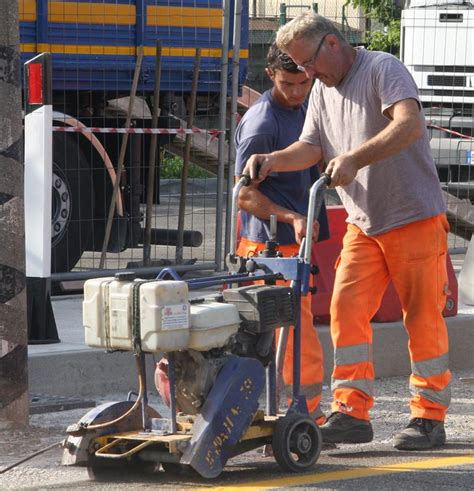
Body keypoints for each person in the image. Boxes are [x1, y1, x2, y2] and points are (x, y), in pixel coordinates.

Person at [242, 12, 451, 451]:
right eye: (299, 68)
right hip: (365, 222)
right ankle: (352, 412)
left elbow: (409, 125)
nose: (307, 74)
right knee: (346, 308)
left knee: (423, 317)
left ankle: (429, 417)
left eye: (309, 64)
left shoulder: (382, 69)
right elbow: (313, 146)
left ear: (332, 43)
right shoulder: (322, 88)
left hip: (412, 216)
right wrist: (275, 160)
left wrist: (355, 158)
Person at [235, 42, 330, 423]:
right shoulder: (262, 124)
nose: (296, 91)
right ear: (271, 74)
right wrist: (291, 218)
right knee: (289, 337)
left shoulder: (307, 107)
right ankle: (299, 413)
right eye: (288, 83)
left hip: (294, 247)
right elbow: (243, 195)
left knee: (295, 334)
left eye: (302, 83)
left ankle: (299, 411)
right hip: (266, 248)